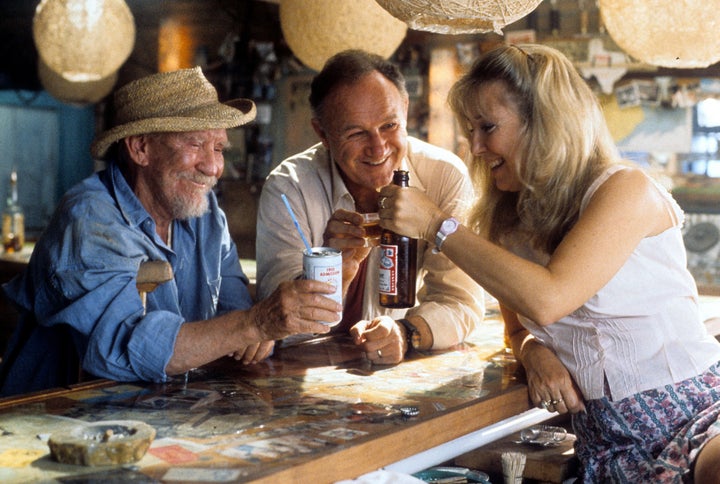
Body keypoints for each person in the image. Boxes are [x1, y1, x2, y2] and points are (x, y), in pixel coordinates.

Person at [377, 43, 720, 482]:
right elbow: (519, 326)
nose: (477, 147)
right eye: (470, 130)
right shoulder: (505, 222)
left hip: (697, 415)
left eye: (487, 127)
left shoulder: (624, 189)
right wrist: (534, 351)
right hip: (607, 447)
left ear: (544, 123)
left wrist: (435, 224)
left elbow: (549, 298)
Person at [0, 67, 340, 397]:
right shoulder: (89, 218)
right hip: (53, 420)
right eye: (195, 144)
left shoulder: (206, 217)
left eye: (219, 148)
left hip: (157, 412)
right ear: (140, 149)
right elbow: (124, 348)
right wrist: (254, 324)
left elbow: (236, 328)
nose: (213, 167)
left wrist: (255, 331)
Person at [256, 50, 484, 364]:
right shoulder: (288, 188)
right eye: (356, 133)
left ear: (404, 110)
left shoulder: (444, 176)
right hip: (302, 376)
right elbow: (274, 327)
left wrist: (406, 332)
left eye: (389, 125)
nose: (378, 148)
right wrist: (335, 274)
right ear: (322, 133)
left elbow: (461, 301)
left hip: (397, 372)